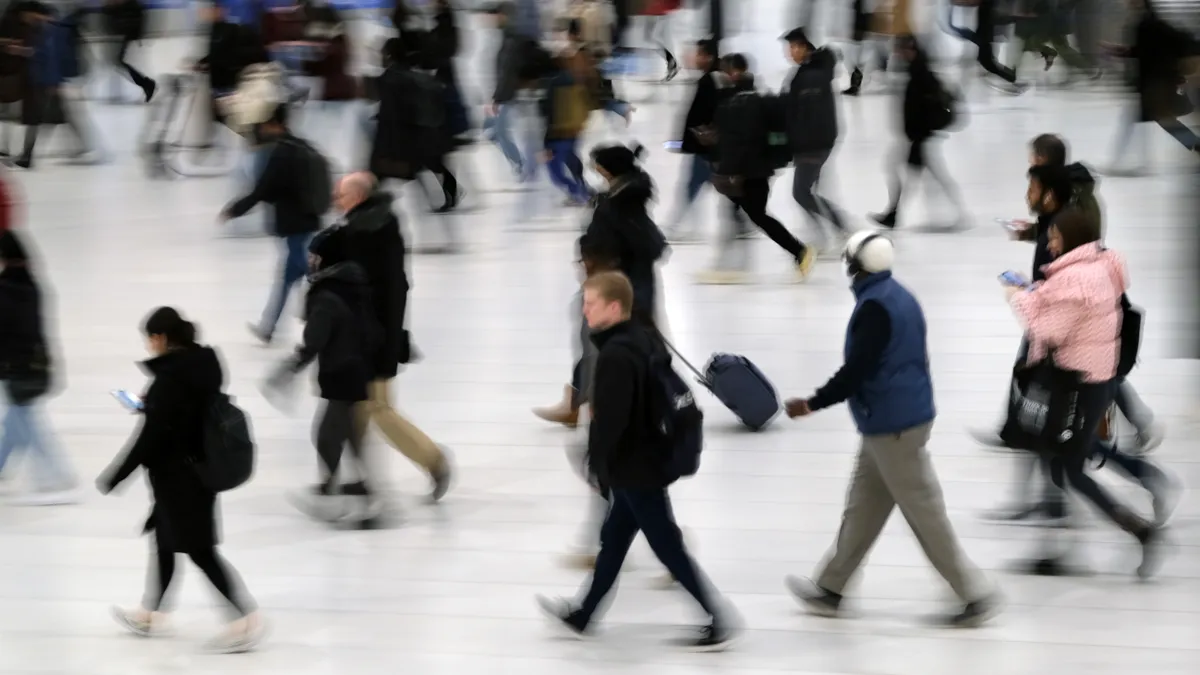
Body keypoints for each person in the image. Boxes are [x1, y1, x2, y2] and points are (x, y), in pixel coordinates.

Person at [783, 232, 1000, 628]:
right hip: (892, 419)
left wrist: (811, 403)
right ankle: (831, 587)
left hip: (893, 426)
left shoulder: (874, 308)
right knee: (862, 507)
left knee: (925, 513)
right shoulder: (898, 295)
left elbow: (855, 372)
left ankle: (975, 594)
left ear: (856, 265)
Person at [535, 271, 739, 651]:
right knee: (613, 541)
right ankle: (584, 614)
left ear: (614, 307)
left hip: (635, 469)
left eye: (591, 304)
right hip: (646, 461)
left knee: (666, 547)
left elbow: (612, 422)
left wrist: (597, 466)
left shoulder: (615, 356)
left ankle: (716, 616)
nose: (585, 310)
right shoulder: (642, 338)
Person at [1002, 208, 1165, 578]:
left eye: (1055, 236)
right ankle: (1137, 515)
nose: (1051, 242)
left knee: (1069, 468)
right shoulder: (1099, 266)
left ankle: (1141, 529)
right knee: (1065, 463)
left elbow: (1046, 331)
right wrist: (1038, 291)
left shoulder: (1076, 281)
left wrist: (1016, 296)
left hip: (1078, 384)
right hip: (1095, 377)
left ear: (1072, 238)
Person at [98, 308, 263, 653]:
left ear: (161, 338)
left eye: (150, 338)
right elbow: (186, 412)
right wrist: (154, 405)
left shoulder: (170, 380)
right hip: (195, 469)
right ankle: (150, 613)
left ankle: (245, 619)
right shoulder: (201, 365)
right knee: (164, 542)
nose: (148, 345)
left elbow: (151, 438)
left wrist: (116, 475)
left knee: (201, 551)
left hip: (182, 478)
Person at [333, 172, 453, 503]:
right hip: (381, 336)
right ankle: (360, 478)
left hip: (370, 340)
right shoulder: (381, 225)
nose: (336, 200)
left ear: (356, 197)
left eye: (340, 195)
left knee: (377, 408)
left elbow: (367, 292)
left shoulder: (363, 234)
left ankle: (434, 460)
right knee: (358, 412)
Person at [533, 143, 667, 425]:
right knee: (619, 341)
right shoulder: (626, 195)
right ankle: (590, 400)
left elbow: (617, 242)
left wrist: (593, 260)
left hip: (615, 284)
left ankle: (581, 403)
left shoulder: (618, 204)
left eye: (596, 163)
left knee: (596, 339)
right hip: (625, 282)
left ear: (606, 169)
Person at [266, 228, 383, 522]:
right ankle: (360, 490)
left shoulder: (326, 294)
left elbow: (314, 340)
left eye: (314, 255)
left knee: (327, 436)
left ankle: (334, 493)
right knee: (350, 434)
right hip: (358, 368)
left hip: (340, 371)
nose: (310, 260)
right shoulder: (352, 282)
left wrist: (288, 369)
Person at [705, 53, 815, 284]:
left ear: (732, 76)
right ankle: (727, 262)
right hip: (760, 170)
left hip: (744, 173)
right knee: (742, 213)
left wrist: (725, 169)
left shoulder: (730, 106)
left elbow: (733, 145)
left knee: (757, 216)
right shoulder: (764, 101)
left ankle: (799, 251)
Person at [221, 103, 325, 344]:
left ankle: (324, 310)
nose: (264, 130)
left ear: (276, 125)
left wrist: (235, 209)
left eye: (267, 125)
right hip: (308, 218)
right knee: (288, 277)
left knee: (309, 272)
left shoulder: (282, 152)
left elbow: (263, 189)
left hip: (294, 221)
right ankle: (269, 327)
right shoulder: (303, 146)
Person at [0, 229, 77, 504]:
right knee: (16, 421)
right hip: (37, 366)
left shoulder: (7, 290)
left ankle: (56, 474)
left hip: (16, 369)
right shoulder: (32, 285)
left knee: (26, 424)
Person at [870, 35, 967, 230]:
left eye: (900, 50)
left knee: (909, 173)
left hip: (919, 138)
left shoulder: (921, 74)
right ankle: (896, 213)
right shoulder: (915, 70)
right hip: (916, 138)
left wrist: (917, 132)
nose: (897, 54)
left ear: (909, 50)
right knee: (924, 175)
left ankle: (895, 214)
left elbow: (921, 107)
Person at [781, 27, 849, 252]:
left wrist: (800, 144)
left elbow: (809, 115)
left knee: (801, 193)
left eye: (793, 47)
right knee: (809, 191)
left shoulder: (812, 77)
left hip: (813, 144)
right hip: (816, 142)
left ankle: (836, 231)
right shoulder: (809, 72)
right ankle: (835, 231)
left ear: (805, 47)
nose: (790, 52)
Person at [664, 37, 722, 242]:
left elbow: (703, 115)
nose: (694, 58)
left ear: (708, 57)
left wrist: (698, 136)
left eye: (699, 54)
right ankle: (687, 224)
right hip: (703, 145)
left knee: (693, 185)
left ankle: (679, 224)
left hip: (705, 146)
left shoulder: (709, 82)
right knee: (698, 185)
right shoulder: (709, 79)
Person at [101, 0, 155, 102]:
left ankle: (147, 84)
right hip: (124, 35)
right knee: (117, 62)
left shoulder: (129, 7)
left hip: (124, 35)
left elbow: (125, 20)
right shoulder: (130, 7)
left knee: (118, 61)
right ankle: (146, 84)